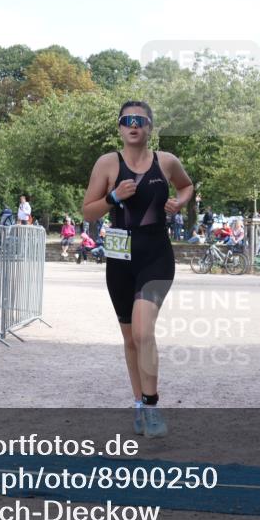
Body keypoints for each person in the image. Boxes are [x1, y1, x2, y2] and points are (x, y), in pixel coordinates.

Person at [81, 100, 194, 438]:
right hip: (119, 258)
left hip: (156, 255)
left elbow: (186, 186)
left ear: (149, 127)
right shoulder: (107, 163)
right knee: (130, 338)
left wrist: (180, 202)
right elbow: (88, 212)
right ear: (119, 127)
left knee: (144, 332)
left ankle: (153, 403)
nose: (133, 126)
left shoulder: (167, 161)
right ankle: (139, 405)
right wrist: (114, 197)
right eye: (127, 121)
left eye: (140, 121)